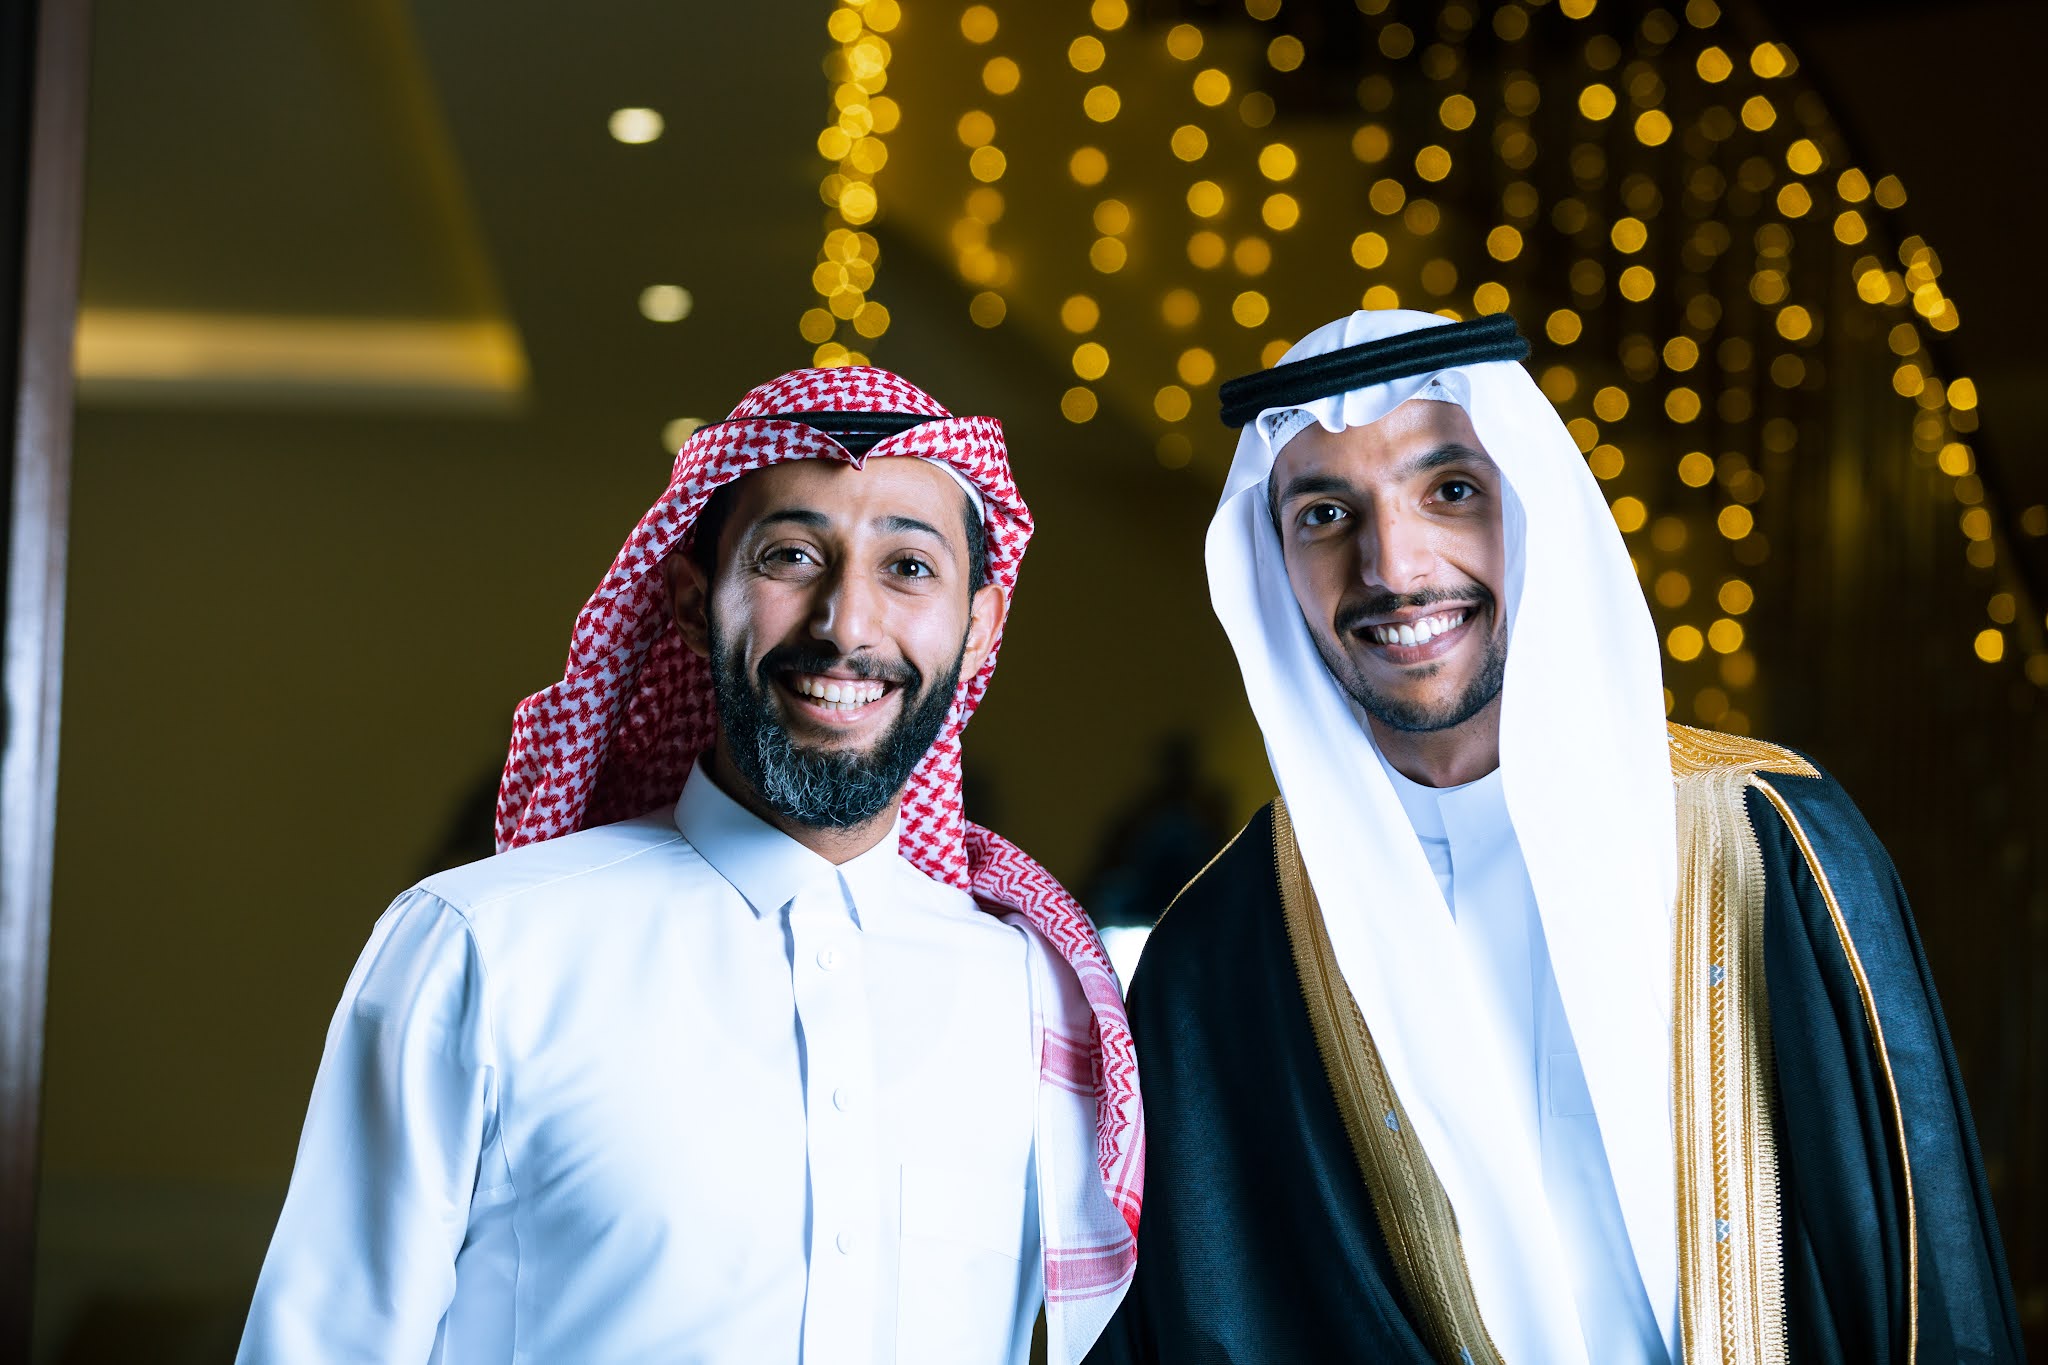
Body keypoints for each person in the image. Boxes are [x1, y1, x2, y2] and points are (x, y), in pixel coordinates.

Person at [1088, 310, 2021, 1364]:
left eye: (1450, 491)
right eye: (1324, 514)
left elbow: (1928, 1284)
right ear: (1275, 566)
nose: (1393, 566)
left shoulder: (1768, 840)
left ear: (1531, 504)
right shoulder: (1218, 955)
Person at [239, 366, 1142, 1365]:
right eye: (792, 556)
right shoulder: (483, 947)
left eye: (908, 567)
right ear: (688, 600)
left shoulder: (1031, 994)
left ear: (979, 630)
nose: (846, 624)